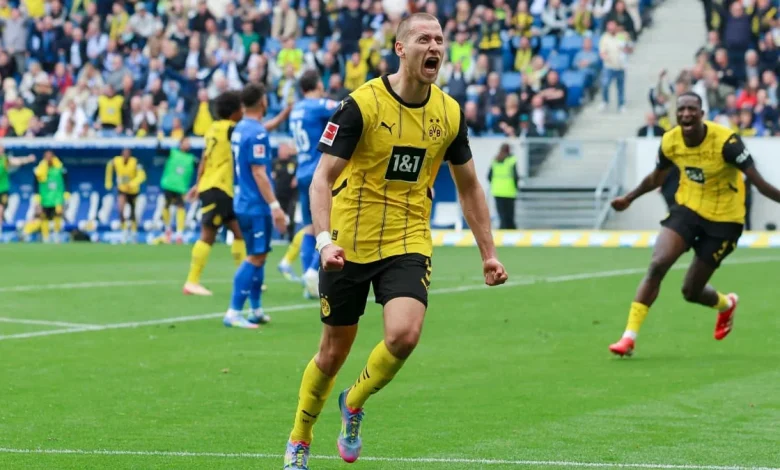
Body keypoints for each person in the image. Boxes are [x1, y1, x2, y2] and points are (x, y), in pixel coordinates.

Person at [283, 12, 509, 470]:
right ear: (400, 48)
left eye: (440, 40)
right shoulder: (361, 105)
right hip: (347, 242)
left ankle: (355, 401)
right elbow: (321, 179)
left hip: (407, 239)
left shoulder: (448, 113)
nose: (436, 47)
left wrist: (489, 254)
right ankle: (300, 437)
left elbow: (469, 186)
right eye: (424, 38)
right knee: (332, 353)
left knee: (404, 335)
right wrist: (324, 241)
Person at [608, 92, 780, 357]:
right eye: (681, 110)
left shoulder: (727, 142)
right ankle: (628, 338)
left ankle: (725, 304)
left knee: (691, 291)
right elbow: (657, 177)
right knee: (657, 264)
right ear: (676, 114)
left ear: (702, 114)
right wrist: (629, 198)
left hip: (725, 220)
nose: (686, 114)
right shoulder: (670, 141)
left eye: (692, 109)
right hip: (687, 210)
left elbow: (758, 182)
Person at [222, 83, 289, 329]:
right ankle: (233, 311)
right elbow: (259, 172)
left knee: (259, 255)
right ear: (263, 102)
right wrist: (275, 206)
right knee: (255, 256)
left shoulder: (241, 128)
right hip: (255, 203)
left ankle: (256, 308)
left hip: (243, 201)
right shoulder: (257, 133)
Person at [277, 68, 340, 298]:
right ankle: (314, 270)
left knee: (309, 228)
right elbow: (344, 107)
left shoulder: (296, 109)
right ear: (318, 86)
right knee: (331, 222)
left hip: (302, 170)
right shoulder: (317, 105)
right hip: (319, 171)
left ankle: (308, 279)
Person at [183, 91, 246, 297]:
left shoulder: (211, 129)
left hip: (216, 188)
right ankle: (192, 281)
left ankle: (243, 277)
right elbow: (257, 130)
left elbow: (204, 158)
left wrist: (197, 183)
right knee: (208, 235)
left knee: (237, 231)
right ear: (235, 111)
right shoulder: (230, 129)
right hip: (217, 188)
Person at [159, 137, 196, 244]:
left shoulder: (191, 158)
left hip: (181, 187)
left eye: (189, 143)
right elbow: (159, 150)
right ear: (180, 144)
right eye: (186, 143)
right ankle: (167, 229)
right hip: (169, 184)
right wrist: (159, 139)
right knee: (166, 206)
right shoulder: (172, 152)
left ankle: (179, 233)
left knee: (181, 208)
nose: (188, 145)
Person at [105, 148, 147, 243]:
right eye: (124, 153)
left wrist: (132, 183)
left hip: (133, 191)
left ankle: (133, 233)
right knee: (121, 210)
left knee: (133, 212)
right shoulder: (116, 160)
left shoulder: (135, 162)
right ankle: (124, 232)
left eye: (128, 153)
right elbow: (109, 166)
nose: (126, 155)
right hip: (122, 189)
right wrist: (108, 182)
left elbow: (142, 176)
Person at [31, 151, 69, 243]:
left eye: (50, 157)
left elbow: (66, 181)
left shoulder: (59, 168)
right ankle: (46, 236)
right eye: (46, 157)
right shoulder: (40, 169)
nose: (48, 159)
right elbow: (36, 184)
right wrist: (37, 198)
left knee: (57, 216)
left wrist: (66, 194)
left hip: (57, 197)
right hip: (45, 198)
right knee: (44, 217)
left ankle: (56, 234)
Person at [0, 147, 35, 234]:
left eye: (2, 149)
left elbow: (17, 161)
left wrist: (28, 159)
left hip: (2, 190)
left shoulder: (5, 160)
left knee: (0, 210)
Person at [488, 143, 519, 229]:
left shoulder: (495, 160)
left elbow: (489, 176)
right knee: (510, 215)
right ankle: (511, 232)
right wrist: (516, 187)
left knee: (501, 215)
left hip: (497, 191)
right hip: (509, 191)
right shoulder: (511, 160)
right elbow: (516, 176)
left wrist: (495, 184)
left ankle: (502, 231)